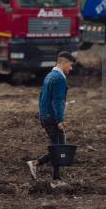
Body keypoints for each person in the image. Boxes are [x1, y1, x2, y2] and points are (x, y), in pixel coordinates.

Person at [27, 51, 75, 188]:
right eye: (70, 65)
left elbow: (42, 96)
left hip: (46, 116)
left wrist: (43, 114)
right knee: (59, 148)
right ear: (64, 63)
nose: (71, 69)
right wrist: (59, 120)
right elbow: (58, 101)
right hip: (52, 118)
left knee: (59, 147)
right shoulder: (59, 78)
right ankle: (55, 178)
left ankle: (53, 175)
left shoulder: (49, 75)